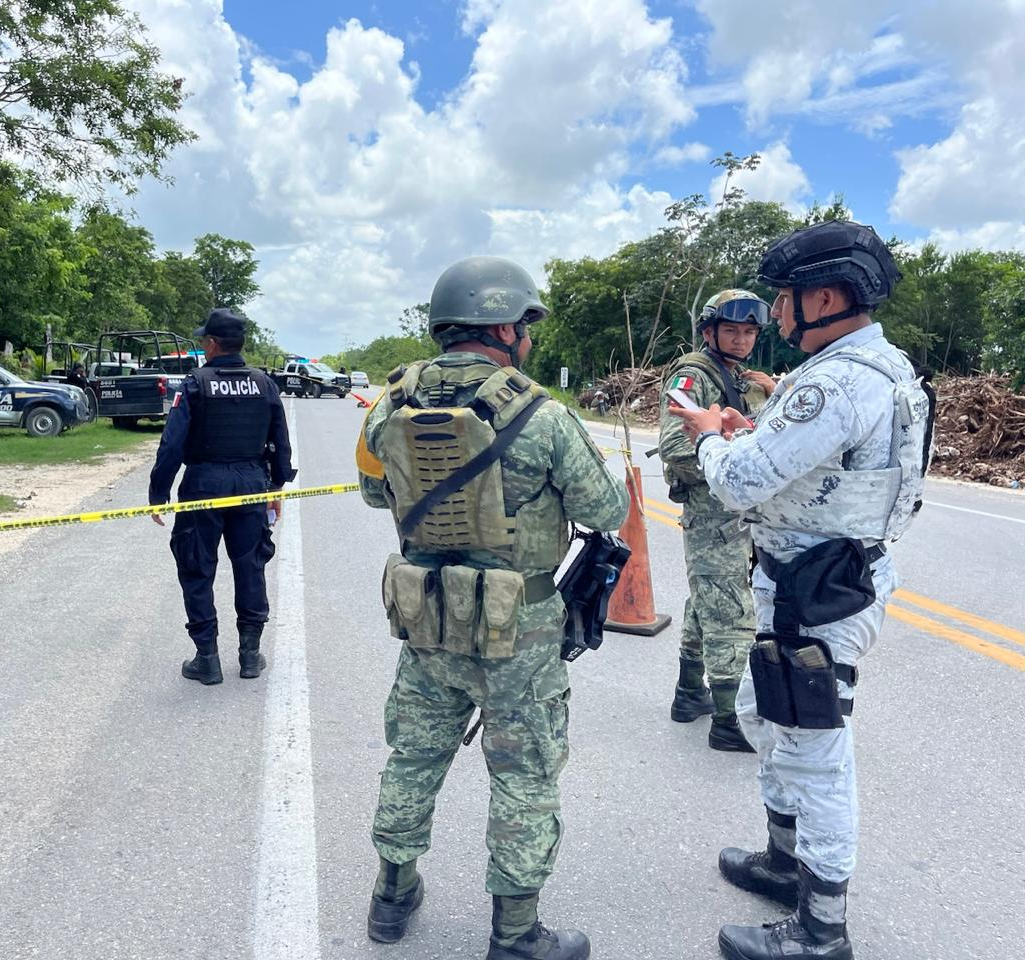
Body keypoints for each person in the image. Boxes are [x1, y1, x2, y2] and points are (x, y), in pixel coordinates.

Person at [668, 221, 933, 960]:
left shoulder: (836, 381)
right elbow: (828, 462)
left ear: (824, 296)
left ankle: (820, 927)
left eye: (785, 301)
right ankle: (783, 862)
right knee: (767, 715)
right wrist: (750, 427)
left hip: (821, 592)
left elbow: (742, 480)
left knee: (816, 749)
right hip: (815, 580)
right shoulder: (885, 368)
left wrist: (709, 434)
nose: (776, 317)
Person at [356, 256, 629, 960]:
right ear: (503, 327)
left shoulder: (390, 406)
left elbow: (371, 493)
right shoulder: (542, 415)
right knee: (525, 777)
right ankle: (515, 935)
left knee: (414, 757)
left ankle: (391, 895)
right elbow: (608, 511)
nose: (531, 340)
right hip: (521, 633)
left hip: (429, 619)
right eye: (527, 326)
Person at [148, 308, 296, 684]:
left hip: (204, 484)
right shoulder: (264, 383)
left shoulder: (196, 383)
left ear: (212, 344)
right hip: (251, 482)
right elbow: (281, 441)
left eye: (203, 340)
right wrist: (275, 488)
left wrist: (159, 493)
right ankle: (249, 656)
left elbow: (171, 445)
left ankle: (207, 658)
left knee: (197, 566)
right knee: (250, 565)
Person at [658, 290, 775, 752]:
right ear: (710, 332)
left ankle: (690, 694)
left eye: (749, 331)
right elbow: (674, 445)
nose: (742, 339)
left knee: (709, 599)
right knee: (731, 611)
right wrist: (725, 446)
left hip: (736, 513)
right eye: (732, 330)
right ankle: (729, 721)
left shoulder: (739, 376)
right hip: (713, 515)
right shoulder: (693, 375)